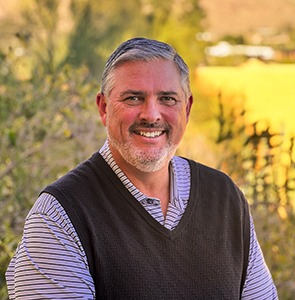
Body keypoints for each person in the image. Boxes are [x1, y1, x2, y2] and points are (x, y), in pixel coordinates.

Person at [6, 37, 278, 299]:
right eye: (134, 98)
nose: (151, 114)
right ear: (103, 108)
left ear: (187, 109)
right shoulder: (59, 216)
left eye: (168, 99)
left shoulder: (224, 197)